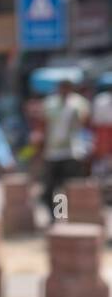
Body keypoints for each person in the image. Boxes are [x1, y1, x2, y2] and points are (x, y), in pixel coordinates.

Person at [42, 79, 92, 212]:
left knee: (71, 186)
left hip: (72, 151)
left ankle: (71, 214)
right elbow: (44, 125)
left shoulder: (79, 103)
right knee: (54, 186)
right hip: (53, 152)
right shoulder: (50, 103)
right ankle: (58, 215)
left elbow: (85, 122)